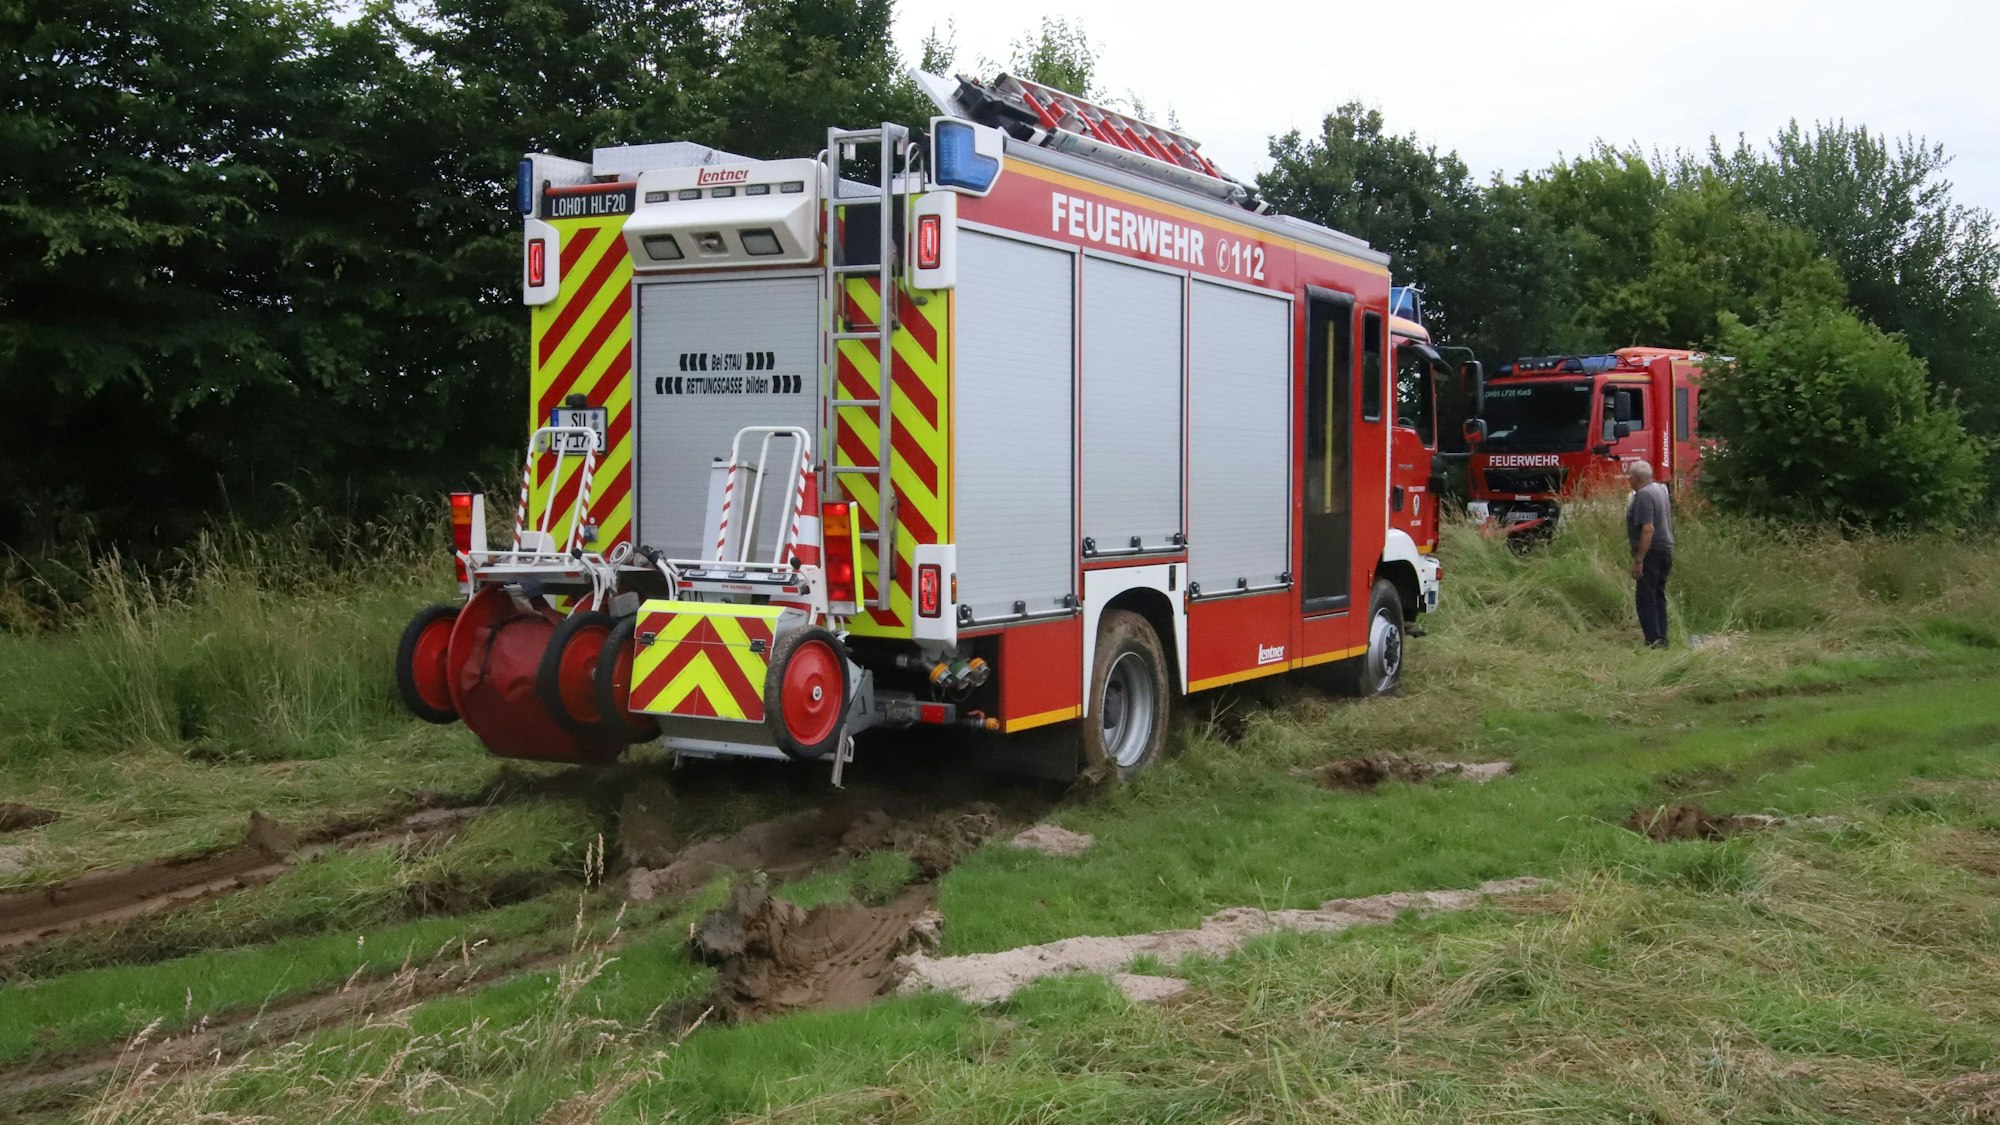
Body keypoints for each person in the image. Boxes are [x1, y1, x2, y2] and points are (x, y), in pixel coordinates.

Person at [1625, 460, 1674, 648]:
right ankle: (1662, 637)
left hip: (1651, 552)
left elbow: (1648, 529)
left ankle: (1652, 640)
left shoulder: (1644, 496)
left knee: (1645, 596)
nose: (1628, 479)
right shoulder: (1660, 492)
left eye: (1630, 476)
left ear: (1636, 478)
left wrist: (1639, 560)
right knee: (1658, 594)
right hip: (1666, 549)